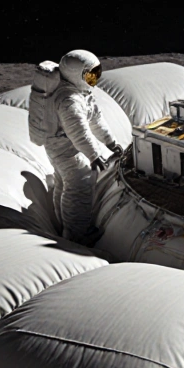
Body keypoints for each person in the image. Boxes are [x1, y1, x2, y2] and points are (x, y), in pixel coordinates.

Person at [46, 49, 123, 245]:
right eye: (90, 74)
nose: (94, 78)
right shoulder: (68, 100)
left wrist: (111, 142)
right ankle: (76, 235)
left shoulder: (80, 93)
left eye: (96, 73)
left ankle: (62, 224)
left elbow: (96, 121)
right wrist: (94, 155)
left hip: (60, 147)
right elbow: (78, 131)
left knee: (63, 184)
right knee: (78, 189)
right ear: (76, 75)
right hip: (66, 150)